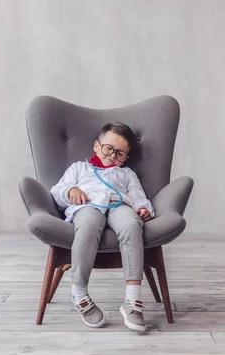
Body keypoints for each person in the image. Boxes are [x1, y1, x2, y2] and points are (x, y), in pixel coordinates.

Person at [50, 122, 154, 332]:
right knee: (87, 225)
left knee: (133, 225)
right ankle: (79, 293)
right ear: (97, 146)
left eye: (120, 154)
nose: (112, 156)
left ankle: (132, 301)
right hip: (89, 205)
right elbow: (57, 190)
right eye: (108, 149)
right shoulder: (79, 168)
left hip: (119, 205)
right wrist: (71, 191)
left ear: (126, 157)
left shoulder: (126, 174)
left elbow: (137, 196)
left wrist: (143, 208)